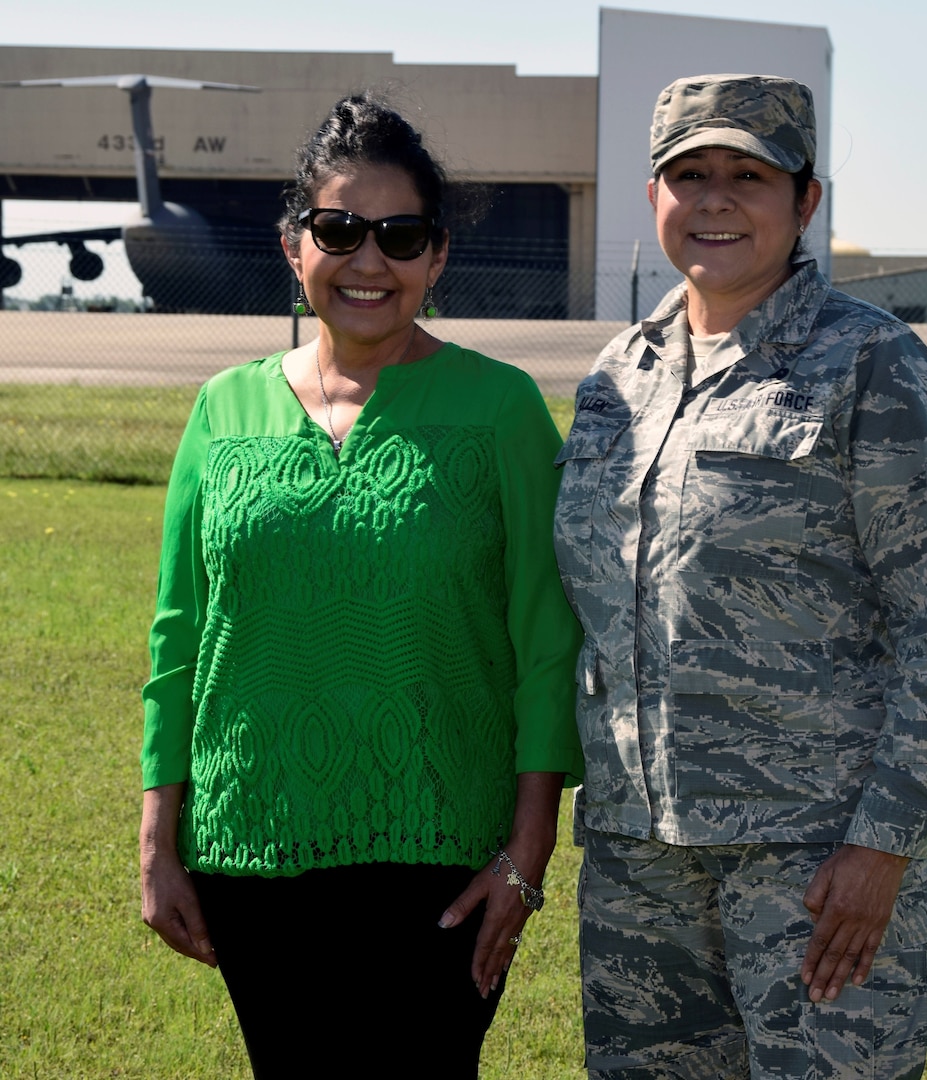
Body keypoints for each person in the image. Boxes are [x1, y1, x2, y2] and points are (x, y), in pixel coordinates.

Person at [554, 74, 927, 1079]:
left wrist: (882, 847)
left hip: (813, 868)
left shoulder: (872, 368)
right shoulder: (617, 378)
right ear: (653, 197)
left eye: (747, 176)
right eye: (689, 174)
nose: (714, 200)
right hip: (641, 864)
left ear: (805, 201)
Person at [138, 94, 583, 1078]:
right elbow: (181, 636)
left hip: (442, 856)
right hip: (252, 847)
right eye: (338, 230)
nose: (367, 260)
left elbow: (549, 642)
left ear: (437, 254)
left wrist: (529, 848)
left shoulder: (500, 410)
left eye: (401, 234)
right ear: (297, 246)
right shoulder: (224, 409)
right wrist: (158, 839)